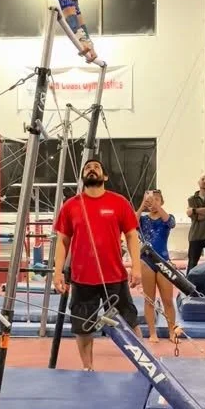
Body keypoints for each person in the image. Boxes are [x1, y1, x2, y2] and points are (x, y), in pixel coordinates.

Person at [53, 159, 142, 371]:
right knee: (83, 328)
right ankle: (88, 368)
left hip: (115, 276)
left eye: (96, 167)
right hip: (82, 278)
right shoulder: (71, 205)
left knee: (129, 323)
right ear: (83, 177)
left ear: (105, 176)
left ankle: (143, 367)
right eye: (87, 168)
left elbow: (132, 236)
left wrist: (136, 267)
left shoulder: (119, 202)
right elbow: (62, 241)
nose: (91, 169)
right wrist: (57, 272)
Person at [137, 189, 181, 343]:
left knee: (167, 300)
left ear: (162, 202)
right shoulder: (143, 220)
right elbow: (131, 223)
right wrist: (142, 205)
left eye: (157, 199)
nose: (153, 202)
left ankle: (172, 332)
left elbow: (171, 223)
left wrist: (157, 206)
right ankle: (152, 333)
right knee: (149, 299)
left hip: (163, 260)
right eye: (151, 199)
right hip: (146, 260)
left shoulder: (167, 218)